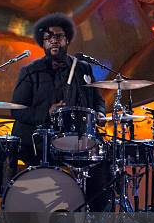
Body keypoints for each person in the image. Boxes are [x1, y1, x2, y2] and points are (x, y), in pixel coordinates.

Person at [10, 13, 110, 211]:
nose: (53, 41)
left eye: (58, 36)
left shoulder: (82, 68)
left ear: (67, 40)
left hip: (77, 139)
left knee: (103, 165)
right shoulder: (31, 71)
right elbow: (17, 110)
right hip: (39, 142)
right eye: (48, 38)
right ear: (43, 43)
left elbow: (97, 100)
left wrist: (99, 113)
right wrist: (47, 112)